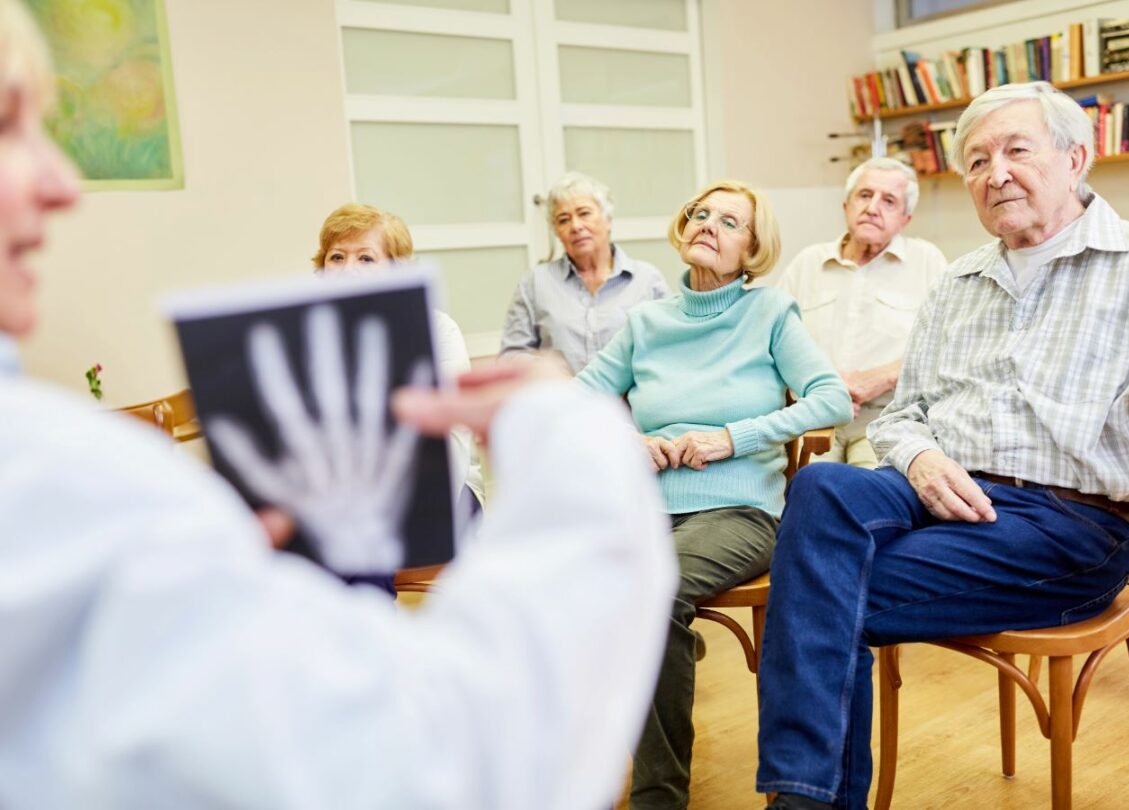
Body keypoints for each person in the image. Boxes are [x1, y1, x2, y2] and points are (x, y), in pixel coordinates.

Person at [0, 4, 676, 808]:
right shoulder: (46, 473)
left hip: (426, 499)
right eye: (11, 124)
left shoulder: (437, 331)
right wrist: (568, 441)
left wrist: (208, 586)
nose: (62, 182)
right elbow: (457, 760)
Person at [756, 81, 1129, 810]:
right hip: (937, 488)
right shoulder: (957, 281)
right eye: (976, 160)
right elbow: (900, 412)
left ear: (1077, 158)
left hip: (1071, 524)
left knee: (817, 585)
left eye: (1016, 150)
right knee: (822, 488)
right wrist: (918, 455)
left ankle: (802, 802)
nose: (995, 172)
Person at [577, 179, 852, 810]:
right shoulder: (646, 323)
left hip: (738, 509)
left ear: (752, 248)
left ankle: (658, 795)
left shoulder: (770, 313)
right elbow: (577, 400)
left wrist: (734, 437)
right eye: (702, 214)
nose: (709, 225)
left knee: (649, 594)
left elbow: (830, 399)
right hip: (642, 510)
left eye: (730, 222)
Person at [768, 157, 947, 468]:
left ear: (905, 219)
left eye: (888, 201)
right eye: (865, 195)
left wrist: (879, 378)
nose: (872, 207)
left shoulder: (928, 263)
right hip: (813, 416)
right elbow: (770, 341)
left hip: (889, 418)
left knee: (862, 495)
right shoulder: (807, 264)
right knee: (812, 495)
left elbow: (948, 347)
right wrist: (823, 389)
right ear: (846, 205)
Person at [313, 203, 486, 518]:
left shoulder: (438, 329)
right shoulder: (311, 336)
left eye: (366, 258)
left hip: (434, 488)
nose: (348, 268)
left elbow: (450, 440)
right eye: (337, 257)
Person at [500, 171, 669, 373]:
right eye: (563, 220)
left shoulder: (647, 280)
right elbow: (510, 356)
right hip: (561, 401)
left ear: (608, 220)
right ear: (557, 232)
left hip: (630, 402)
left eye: (584, 213)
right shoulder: (535, 283)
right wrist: (550, 374)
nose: (576, 226)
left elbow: (668, 350)